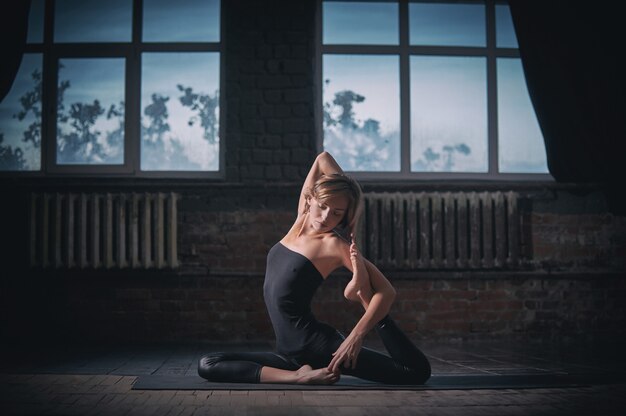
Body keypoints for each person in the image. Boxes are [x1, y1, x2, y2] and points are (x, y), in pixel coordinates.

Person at [198, 151, 431, 385]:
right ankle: (298, 376)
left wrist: (355, 337)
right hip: (289, 354)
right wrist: (350, 195)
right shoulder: (300, 220)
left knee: (415, 372)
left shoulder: (334, 244)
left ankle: (299, 376)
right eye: (323, 206)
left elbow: (386, 291)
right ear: (310, 199)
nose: (326, 216)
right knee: (208, 364)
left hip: (318, 348)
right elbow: (323, 159)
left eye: (337, 213)